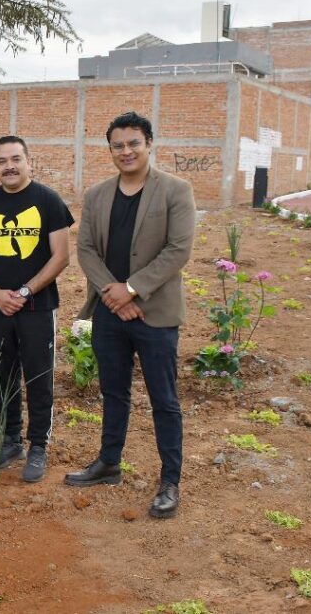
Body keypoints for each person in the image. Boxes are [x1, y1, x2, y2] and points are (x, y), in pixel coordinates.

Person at [63, 111, 194, 519]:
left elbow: (178, 250)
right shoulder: (98, 194)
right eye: (118, 145)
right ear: (110, 150)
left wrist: (132, 288)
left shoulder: (175, 190)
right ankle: (108, 463)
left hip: (154, 314)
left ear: (149, 144)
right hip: (109, 313)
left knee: (164, 399)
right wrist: (113, 293)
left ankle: (170, 480)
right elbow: (85, 249)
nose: (126, 151)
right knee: (113, 392)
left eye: (133, 143)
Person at [0, 135, 74, 483]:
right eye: (2, 161)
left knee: (39, 377)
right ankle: (10, 439)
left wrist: (25, 292)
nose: (9, 166)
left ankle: (38, 446)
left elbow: (61, 256)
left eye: (16, 159)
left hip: (37, 308)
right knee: (2, 375)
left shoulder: (48, 201)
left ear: (29, 161)